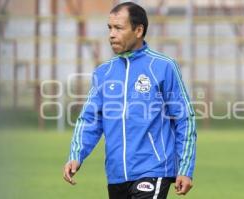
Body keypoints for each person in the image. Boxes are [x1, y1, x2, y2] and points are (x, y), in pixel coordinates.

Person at [63, 2, 197, 199]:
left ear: (139, 30)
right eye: (110, 28)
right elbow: (90, 119)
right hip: (116, 174)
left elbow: (185, 118)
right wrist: (76, 155)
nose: (111, 34)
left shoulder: (163, 66)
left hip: (154, 169)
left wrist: (185, 168)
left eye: (119, 28)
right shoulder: (104, 72)